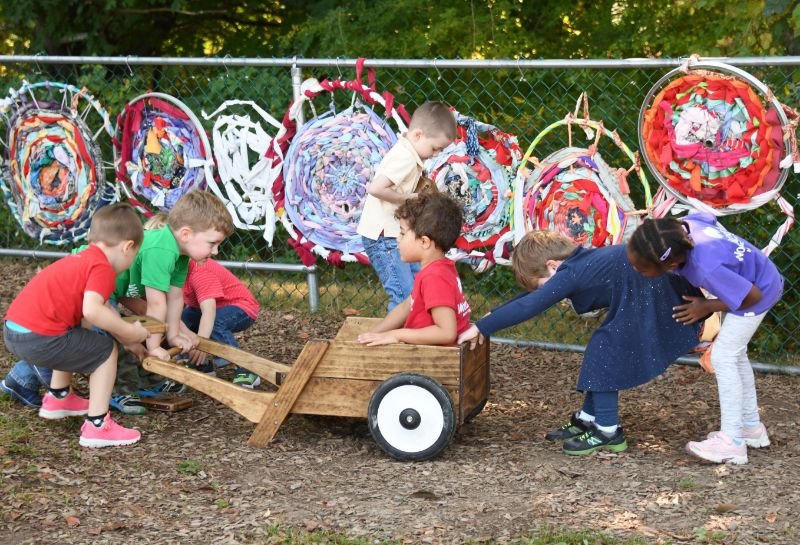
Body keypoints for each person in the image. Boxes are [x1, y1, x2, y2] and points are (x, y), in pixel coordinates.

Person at [457, 230, 703, 456]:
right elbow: (533, 297)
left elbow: (530, 305)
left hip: (660, 299)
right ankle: (589, 417)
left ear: (551, 266)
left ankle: (608, 430)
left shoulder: (571, 272)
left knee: (604, 349)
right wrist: (494, 314)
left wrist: (481, 327)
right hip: (651, 294)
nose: (548, 292)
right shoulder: (577, 263)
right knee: (602, 348)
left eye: (544, 284)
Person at [627, 214, 783, 465]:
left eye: (642, 268)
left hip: (758, 294)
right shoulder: (684, 228)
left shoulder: (705, 267)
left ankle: (732, 442)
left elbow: (751, 296)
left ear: (670, 264)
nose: (636, 269)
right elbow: (708, 217)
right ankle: (750, 428)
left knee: (723, 357)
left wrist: (706, 305)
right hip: (760, 277)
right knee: (735, 354)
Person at [2, 203, 150, 447]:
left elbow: (88, 319)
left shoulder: (82, 259)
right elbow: (93, 309)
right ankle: (98, 426)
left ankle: (59, 398)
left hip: (15, 331)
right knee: (105, 350)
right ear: (127, 247)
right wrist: (130, 332)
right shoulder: (102, 267)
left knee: (79, 337)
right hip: (39, 337)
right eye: (134, 257)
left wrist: (127, 339)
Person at [112, 191, 235, 402]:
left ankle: (145, 383)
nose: (215, 252)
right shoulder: (162, 248)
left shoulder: (181, 256)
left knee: (151, 329)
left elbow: (175, 298)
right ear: (186, 234)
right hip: (94, 285)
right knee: (116, 337)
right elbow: (156, 303)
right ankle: (120, 391)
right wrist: (154, 347)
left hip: (117, 289)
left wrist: (174, 334)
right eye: (212, 243)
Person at [356, 101, 457, 311]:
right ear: (418, 135)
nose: (436, 154)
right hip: (384, 237)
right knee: (404, 296)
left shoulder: (408, 152)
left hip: (396, 236)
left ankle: (416, 332)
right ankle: (397, 338)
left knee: (417, 287)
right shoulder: (406, 158)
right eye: (435, 148)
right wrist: (410, 197)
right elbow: (376, 188)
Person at [358, 192, 471, 346]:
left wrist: (397, 335)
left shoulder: (434, 277)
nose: (398, 238)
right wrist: (373, 334)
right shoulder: (438, 268)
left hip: (435, 359)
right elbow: (406, 307)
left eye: (402, 233)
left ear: (424, 242)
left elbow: (446, 333)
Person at [181, 257, 262, 388]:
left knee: (215, 322)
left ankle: (246, 369)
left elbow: (209, 312)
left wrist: (201, 344)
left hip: (240, 306)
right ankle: (201, 364)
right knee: (185, 319)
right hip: (208, 309)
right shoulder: (175, 270)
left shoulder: (200, 272)